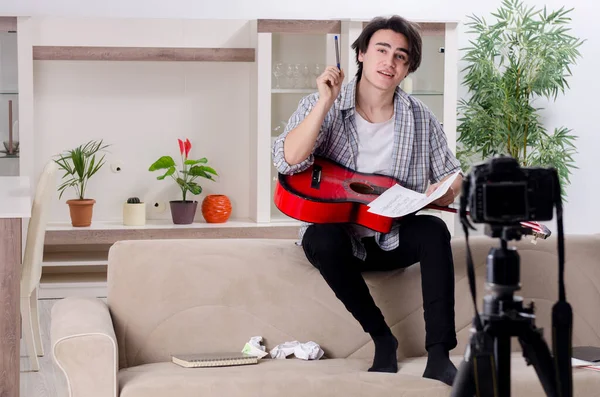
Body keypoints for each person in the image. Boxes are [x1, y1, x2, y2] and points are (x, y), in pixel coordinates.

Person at [271, 15, 462, 386]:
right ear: (360, 54)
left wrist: (445, 191)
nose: (389, 62)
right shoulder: (321, 103)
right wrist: (324, 103)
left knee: (435, 229)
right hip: (339, 241)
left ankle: (439, 355)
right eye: (382, 50)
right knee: (321, 237)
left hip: (390, 236)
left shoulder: (420, 117)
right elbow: (287, 159)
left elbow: (453, 172)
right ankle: (382, 338)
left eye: (401, 57)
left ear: (408, 68)